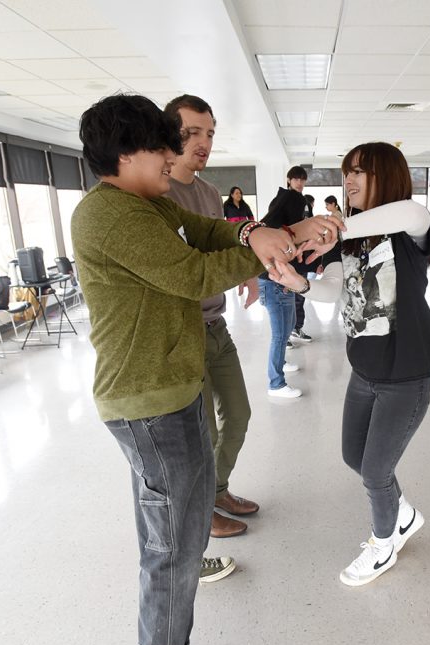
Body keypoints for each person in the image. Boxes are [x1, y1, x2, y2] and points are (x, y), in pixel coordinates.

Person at [71, 94, 339, 645]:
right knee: (169, 535)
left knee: (183, 521)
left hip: (174, 382)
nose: (176, 157)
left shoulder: (151, 206)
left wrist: (274, 233)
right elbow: (191, 272)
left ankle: (168, 633)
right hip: (147, 396)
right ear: (124, 153)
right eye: (164, 146)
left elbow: (211, 230)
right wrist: (264, 250)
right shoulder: (110, 214)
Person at [268, 142, 430, 587]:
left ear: (388, 175)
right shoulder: (351, 241)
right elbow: (334, 293)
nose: (349, 180)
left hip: (407, 372)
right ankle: (402, 514)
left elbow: (410, 214)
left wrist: (331, 230)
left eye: (360, 171)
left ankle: (384, 544)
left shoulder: (410, 227)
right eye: (346, 172)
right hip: (365, 369)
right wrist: (298, 282)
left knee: (377, 471)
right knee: (354, 457)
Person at [164, 94, 259, 540]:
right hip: (184, 333)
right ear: (170, 134)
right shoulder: (161, 194)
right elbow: (185, 269)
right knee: (199, 434)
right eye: (193, 132)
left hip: (216, 325)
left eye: (211, 133)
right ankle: (203, 512)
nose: (204, 143)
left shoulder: (206, 192)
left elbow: (222, 246)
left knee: (237, 414)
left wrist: (251, 271)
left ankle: (217, 491)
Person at [260, 166, 312, 395]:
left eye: (303, 179)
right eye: (296, 178)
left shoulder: (294, 199)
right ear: (289, 180)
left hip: (285, 276)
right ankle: (276, 384)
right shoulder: (288, 198)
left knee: (289, 325)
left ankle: (280, 364)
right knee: (280, 334)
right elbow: (273, 229)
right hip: (276, 278)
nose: (300, 182)